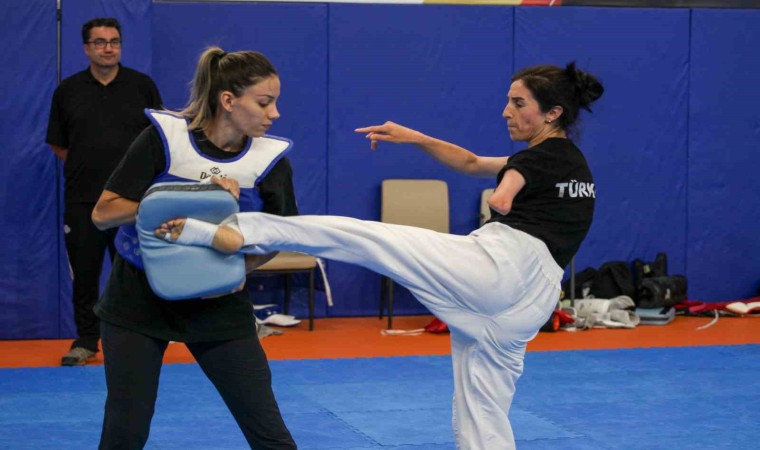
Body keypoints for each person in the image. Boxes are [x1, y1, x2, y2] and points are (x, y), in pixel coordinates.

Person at [156, 62, 603, 450]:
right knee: (484, 410)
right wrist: (415, 137)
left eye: (518, 103)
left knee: (364, 238)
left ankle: (233, 229)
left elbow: (503, 197)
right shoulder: (573, 164)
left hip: (501, 264)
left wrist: (504, 198)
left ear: (552, 113)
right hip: (533, 300)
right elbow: (470, 163)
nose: (507, 111)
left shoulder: (541, 157)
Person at [91, 47, 297, 449]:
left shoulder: (269, 161)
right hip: (137, 301)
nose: (274, 113)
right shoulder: (165, 139)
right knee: (125, 433)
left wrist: (236, 271)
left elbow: (281, 234)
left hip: (218, 305)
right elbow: (103, 213)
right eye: (264, 102)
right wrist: (194, 196)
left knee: (270, 434)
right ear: (228, 100)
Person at [46, 17, 163, 366]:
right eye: (99, 42)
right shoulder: (68, 91)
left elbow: (160, 139)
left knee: (136, 273)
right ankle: (86, 341)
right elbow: (59, 145)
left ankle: (140, 338)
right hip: (84, 200)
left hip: (132, 202)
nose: (108, 48)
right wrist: (93, 165)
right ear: (87, 49)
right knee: (85, 275)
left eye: (114, 41)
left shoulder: (142, 86)